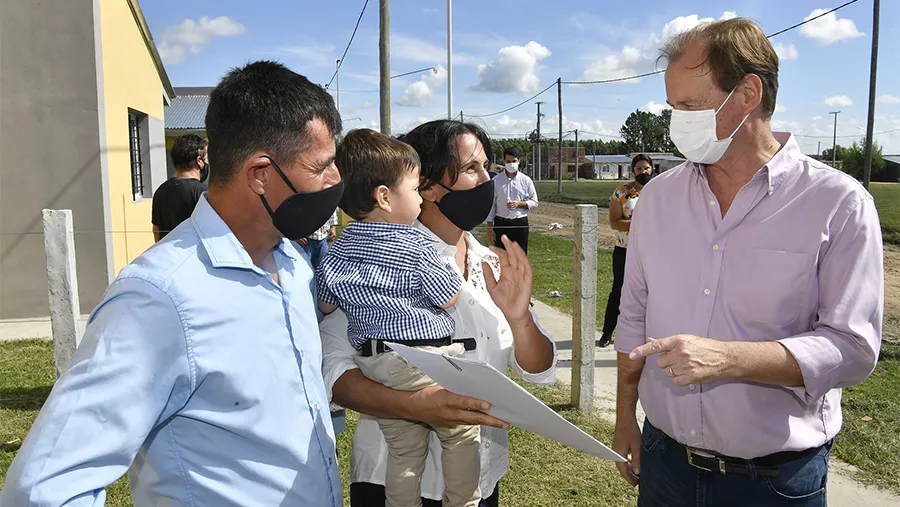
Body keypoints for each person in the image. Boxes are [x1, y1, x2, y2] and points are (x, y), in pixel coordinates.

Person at [0, 61, 346, 506]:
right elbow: (43, 489)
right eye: (322, 166)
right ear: (261, 175)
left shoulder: (293, 264)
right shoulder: (160, 298)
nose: (336, 180)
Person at [613, 18, 883, 507]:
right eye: (673, 107)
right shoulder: (657, 199)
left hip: (774, 482)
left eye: (690, 106)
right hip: (665, 462)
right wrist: (623, 417)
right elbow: (633, 318)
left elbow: (854, 348)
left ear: (748, 94)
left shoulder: (837, 202)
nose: (677, 122)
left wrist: (726, 358)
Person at [319, 120, 558, 507]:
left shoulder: (492, 262)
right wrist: (414, 406)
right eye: (471, 169)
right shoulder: (376, 253)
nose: (488, 179)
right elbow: (334, 371)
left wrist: (521, 319)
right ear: (424, 185)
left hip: (481, 477)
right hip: (395, 482)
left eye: (487, 166)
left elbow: (539, 370)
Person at [318, 129, 481, 507]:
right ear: (385, 198)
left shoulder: (338, 249)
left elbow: (326, 305)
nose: (420, 199)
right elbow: (449, 296)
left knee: (405, 451)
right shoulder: (416, 244)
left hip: (376, 364)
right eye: (413, 189)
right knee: (460, 431)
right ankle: (464, 502)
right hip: (422, 358)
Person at [598, 154, 653, 348]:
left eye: (646, 168)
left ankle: (649, 334)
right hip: (625, 250)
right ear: (633, 171)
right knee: (619, 290)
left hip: (652, 252)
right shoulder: (622, 192)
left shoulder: (660, 191)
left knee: (651, 293)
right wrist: (639, 224)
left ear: (652, 169)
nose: (643, 172)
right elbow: (615, 222)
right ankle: (607, 333)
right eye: (638, 169)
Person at [152, 134, 209, 242]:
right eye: (206, 159)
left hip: (167, 256)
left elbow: (156, 230)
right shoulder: (203, 193)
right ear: (199, 161)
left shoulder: (160, 191)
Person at [487, 146, 538, 254]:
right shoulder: (496, 181)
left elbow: (534, 202)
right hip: (501, 224)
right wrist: (490, 229)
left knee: (520, 258)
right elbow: (491, 206)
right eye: (508, 161)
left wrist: (519, 204)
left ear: (519, 160)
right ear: (504, 161)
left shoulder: (526, 181)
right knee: (502, 259)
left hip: (520, 224)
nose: (511, 164)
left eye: (514, 161)